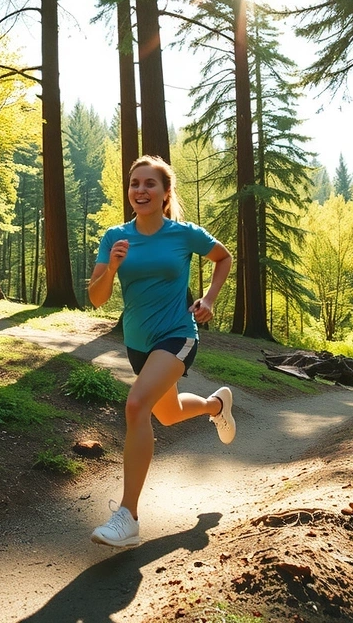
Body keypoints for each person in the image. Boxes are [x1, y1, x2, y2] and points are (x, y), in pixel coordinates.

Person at [87, 154, 235, 549]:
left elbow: (224, 257)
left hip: (177, 335)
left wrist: (209, 298)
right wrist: (113, 266)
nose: (140, 190)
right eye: (135, 184)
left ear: (166, 193)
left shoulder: (184, 234)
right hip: (138, 343)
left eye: (149, 184)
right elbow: (97, 299)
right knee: (166, 414)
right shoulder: (115, 237)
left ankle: (128, 516)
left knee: (136, 406)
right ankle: (216, 406)